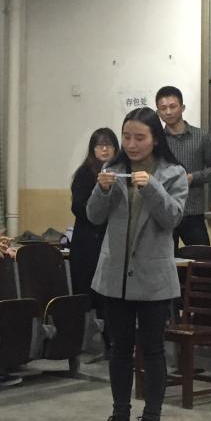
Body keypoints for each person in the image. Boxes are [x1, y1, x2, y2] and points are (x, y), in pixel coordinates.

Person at [89, 107, 187, 421]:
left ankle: (151, 420)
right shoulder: (112, 170)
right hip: (115, 276)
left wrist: (152, 187)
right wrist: (101, 190)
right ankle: (120, 416)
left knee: (153, 349)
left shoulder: (173, 173)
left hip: (153, 278)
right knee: (119, 348)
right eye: (127, 137)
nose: (131, 144)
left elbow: (172, 217)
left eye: (139, 138)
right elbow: (93, 216)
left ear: (155, 139)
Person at [155, 86, 211, 247]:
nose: (168, 112)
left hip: (193, 211)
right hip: (164, 211)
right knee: (166, 258)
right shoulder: (156, 141)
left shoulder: (201, 136)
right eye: (163, 108)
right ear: (158, 112)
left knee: (202, 257)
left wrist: (193, 177)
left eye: (172, 106)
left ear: (182, 107)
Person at [69, 127, 118, 328]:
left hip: (111, 240)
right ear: (93, 149)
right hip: (88, 241)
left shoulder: (121, 171)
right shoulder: (84, 173)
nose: (104, 149)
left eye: (109, 145)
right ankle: (86, 337)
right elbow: (77, 207)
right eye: (100, 145)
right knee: (88, 292)